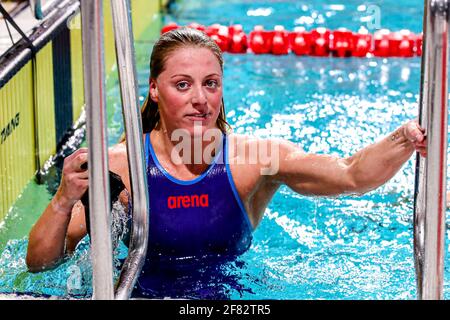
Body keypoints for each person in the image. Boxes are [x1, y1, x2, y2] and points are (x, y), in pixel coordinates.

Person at [26, 27, 427, 298]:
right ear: (154, 89)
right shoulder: (122, 166)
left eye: (211, 83)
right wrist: (63, 199)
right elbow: (42, 264)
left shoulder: (252, 160)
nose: (200, 98)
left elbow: (350, 174)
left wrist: (405, 138)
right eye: (182, 85)